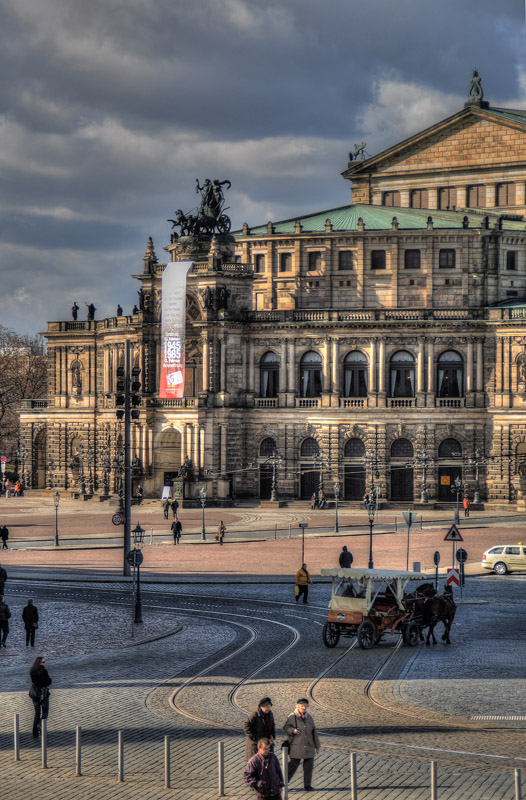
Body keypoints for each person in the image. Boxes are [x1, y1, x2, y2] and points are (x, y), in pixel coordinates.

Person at [283, 698, 321, 792]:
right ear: (297, 706)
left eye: (306, 706)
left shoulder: (309, 717)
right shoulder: (292, 717)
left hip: (309, 745)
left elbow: (314, 732)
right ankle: (282, 783)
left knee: (309, 766)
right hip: (297, 745)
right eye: (302, 706)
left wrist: (317, 745)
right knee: (293, 765)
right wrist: (293, 731)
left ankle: (307, 785)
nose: (304, 707)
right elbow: (286, 727)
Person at [29, 656, 52, 738]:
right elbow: (48, 682)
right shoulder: (44, 671)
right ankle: (40, 724)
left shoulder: (32, 671)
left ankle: (35, 733)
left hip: (35, 694)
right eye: (43, 662)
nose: (44, 663)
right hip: (43, 694)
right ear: (39, 663)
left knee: (37, 713)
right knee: (45, 712)